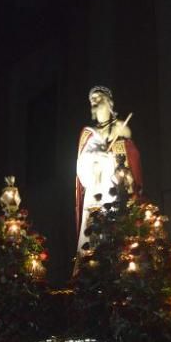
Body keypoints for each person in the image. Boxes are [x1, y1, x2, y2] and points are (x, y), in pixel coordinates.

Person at [74, 86, 143, 255]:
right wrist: (95, 158)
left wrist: (112, 156)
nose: (95, 102)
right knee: (94, 236)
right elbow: (81, 165)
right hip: (95, 189)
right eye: (92, 100)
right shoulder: (89, 134)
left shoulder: (121, 127)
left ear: (109, 102)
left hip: (114, 187)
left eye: (99, 97)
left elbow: (130, 154)